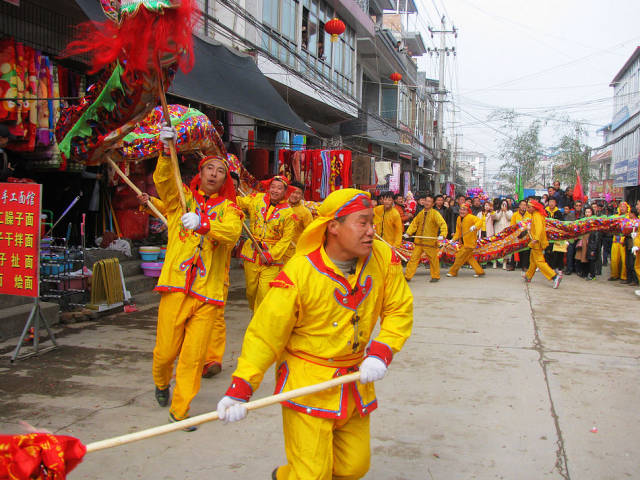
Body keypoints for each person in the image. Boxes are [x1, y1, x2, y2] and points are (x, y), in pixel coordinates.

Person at [216, 189, 413, 480]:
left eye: (372, 223)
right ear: (333, 226)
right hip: (307, 385)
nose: (372, 232)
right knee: (313, 475)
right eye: (363, 223)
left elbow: (399, 308)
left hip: (355, 383)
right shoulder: (299, 272)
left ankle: (287, 475)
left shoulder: (383, 258)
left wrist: (383, 350)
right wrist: (241, 386)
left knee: (353, 467)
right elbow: (266, 334)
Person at [151, 125, 243, 429]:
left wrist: (204, 224)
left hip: (208, 293)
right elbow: (163, 181)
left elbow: (231, 234)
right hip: (176, 287)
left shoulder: (231, 210)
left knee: (192, 359)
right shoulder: (180, 201)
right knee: (165, 353)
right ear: (200, 174)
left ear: (225, 179)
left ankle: (180, 410)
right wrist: (167, 151)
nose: (215, 173)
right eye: (209, 168)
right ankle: (161, 382)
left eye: (220, 170)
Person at [238, 176, 296, 311]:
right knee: (251, 291)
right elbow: (239, 202)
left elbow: (286, 239)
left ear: (285, 192)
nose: (275, 190)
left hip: (271, 259)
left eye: (279, 188)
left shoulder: (289, 213)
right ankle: (255, 313)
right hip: (252, 253)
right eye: (273, 187)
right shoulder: (256, 199)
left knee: (265, 293)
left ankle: (258, 321)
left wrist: (270, 255)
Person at [404, 194, 447, 283]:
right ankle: (408, 276)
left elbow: (442, 224)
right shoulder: (421, 213)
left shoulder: (435, 214)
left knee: (433, 260)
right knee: (413, 259)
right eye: (426, 201)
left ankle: (435, 276)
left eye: (429, 201)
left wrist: (442, 234)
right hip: (419, 242)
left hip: (429, 242)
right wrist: (408, 233)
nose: (427, 203)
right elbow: (414, 224)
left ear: (433, 204)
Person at [523, 200, 562, 288]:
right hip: (536, 242)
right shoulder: (536, 215)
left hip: (537, 242)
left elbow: (539, 228)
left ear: (534, 208)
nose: (527, 209)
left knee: (539, 261)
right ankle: (528, 276)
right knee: (533, 260)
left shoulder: (536, 215)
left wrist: (535, 239)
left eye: (529, 207)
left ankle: (554, 276)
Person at [446, 203, 484, 278]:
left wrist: (475, 226)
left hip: (470, 243)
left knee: (459, 257)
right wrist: (453, 240)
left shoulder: (471, 217)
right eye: (461, 209)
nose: (462, 211)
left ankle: (453, 272)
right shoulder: (458, 218)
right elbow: (458, 232)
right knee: (469, 258)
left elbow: (480, 222)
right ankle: (480, 271)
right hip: (463, 242)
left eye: (464, 210)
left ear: (468, 211)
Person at [284, 180, 313, 263]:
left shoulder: (305, 212)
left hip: (295, 251)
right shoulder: (282, 206)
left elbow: (310, 232)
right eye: (292, 192)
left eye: (298, 193)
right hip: (279, 250)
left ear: (302, 195)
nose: (295, 195)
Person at [609, 201, 630, 282]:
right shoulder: (615, 216)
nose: (622, 208)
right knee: (614, 259)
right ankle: (614, 275)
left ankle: (624, 277)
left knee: (624, 260)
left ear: (627, 208)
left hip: (623, 240)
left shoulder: (629, 217)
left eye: (624, 206)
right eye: (621, 206)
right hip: (615, 240)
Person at [564, 200, 583, 275]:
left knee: (578, 254)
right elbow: (567, 227)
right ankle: (569, 269)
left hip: (580, 238)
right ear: (574, 206)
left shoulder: (583, 215)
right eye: (577, 205)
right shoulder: (570, 215)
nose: (578, 207)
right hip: (571, 237)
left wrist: (578, 236)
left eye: (579, 205)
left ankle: (578, 269)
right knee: (570, 254)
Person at [492, 199, 513, 269]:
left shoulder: (510, 211)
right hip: (498, 230)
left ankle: (504, 263)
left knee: (505, 247)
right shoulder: (497, 211)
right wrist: (501, 211)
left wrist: (505, 211)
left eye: (505, 204)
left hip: (506, 231)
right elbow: (497, 218)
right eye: (502, 204)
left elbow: (510, 217)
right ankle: (495, 262)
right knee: (496, 246)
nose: (504, 206)